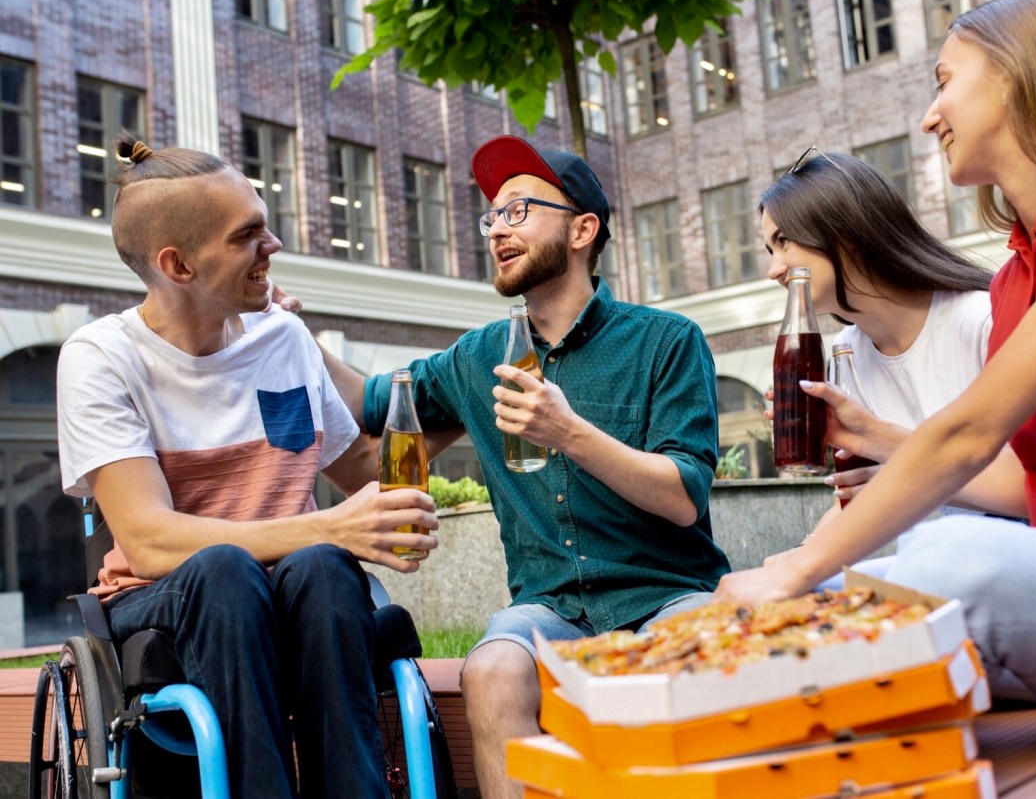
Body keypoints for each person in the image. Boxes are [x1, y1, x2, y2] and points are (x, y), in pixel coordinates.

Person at [717, 0, 1036, 729]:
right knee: (837, 605)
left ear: (1016, 74)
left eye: (943, 81)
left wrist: (796, 567)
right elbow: (1033, 482)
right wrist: (869, 440)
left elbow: (966, 435)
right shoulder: (1015, 276)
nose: (931, 116)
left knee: (950, 555)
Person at [324, 135, 731, 798]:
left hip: (666, 595)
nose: (497, 229)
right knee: (491, 670)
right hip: (547, 607)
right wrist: (281, 326)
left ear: (582, 229)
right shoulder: (478, 355)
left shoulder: (667, 340)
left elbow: (684, 496)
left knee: (692, 652)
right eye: (492, 216)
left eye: (519, 210)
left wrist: (568, 432)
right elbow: (368, 403)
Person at [56, 135, 440, 798]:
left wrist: (488, 418)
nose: (275, 248)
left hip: (299, 586)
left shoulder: (284, 338)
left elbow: (360, 470)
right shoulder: (101, 358)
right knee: (229, 569)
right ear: (177, 264)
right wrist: (329, 529)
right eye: (249, 235)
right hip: (169, 595)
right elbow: (148, 541)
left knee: (323, 566)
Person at [758, 150, 1025, 522]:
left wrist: (903, 469)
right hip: (925, 564)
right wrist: (794, 563)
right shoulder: (845, 350)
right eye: (770, 249)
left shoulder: (981, 319)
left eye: (784, 240)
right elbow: (854, 496)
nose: (774, 269)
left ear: (844, 229)